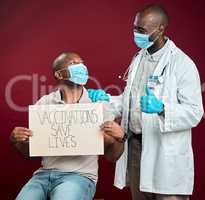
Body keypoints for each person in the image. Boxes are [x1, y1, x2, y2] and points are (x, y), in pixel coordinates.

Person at [88, 4, 204, 200]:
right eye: (135, 27)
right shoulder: (139, 59)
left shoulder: (182, 63)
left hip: (165, 152)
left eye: (141, 30)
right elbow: (130, 103)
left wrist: (162, 109)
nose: (136, 34)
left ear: (160, 29)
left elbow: (195, 112)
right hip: (135, 146)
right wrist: (108, 99)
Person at [10, 52, 124, 200]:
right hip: (43, 175)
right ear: (59, 75)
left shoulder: (99, 105)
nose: (81, 66)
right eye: (73, 64)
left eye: (81, 62)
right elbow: (30, 153)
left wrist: (120, 138)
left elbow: (113, 156)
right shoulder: (45, 103)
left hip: (79, 176)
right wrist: (17, 141)